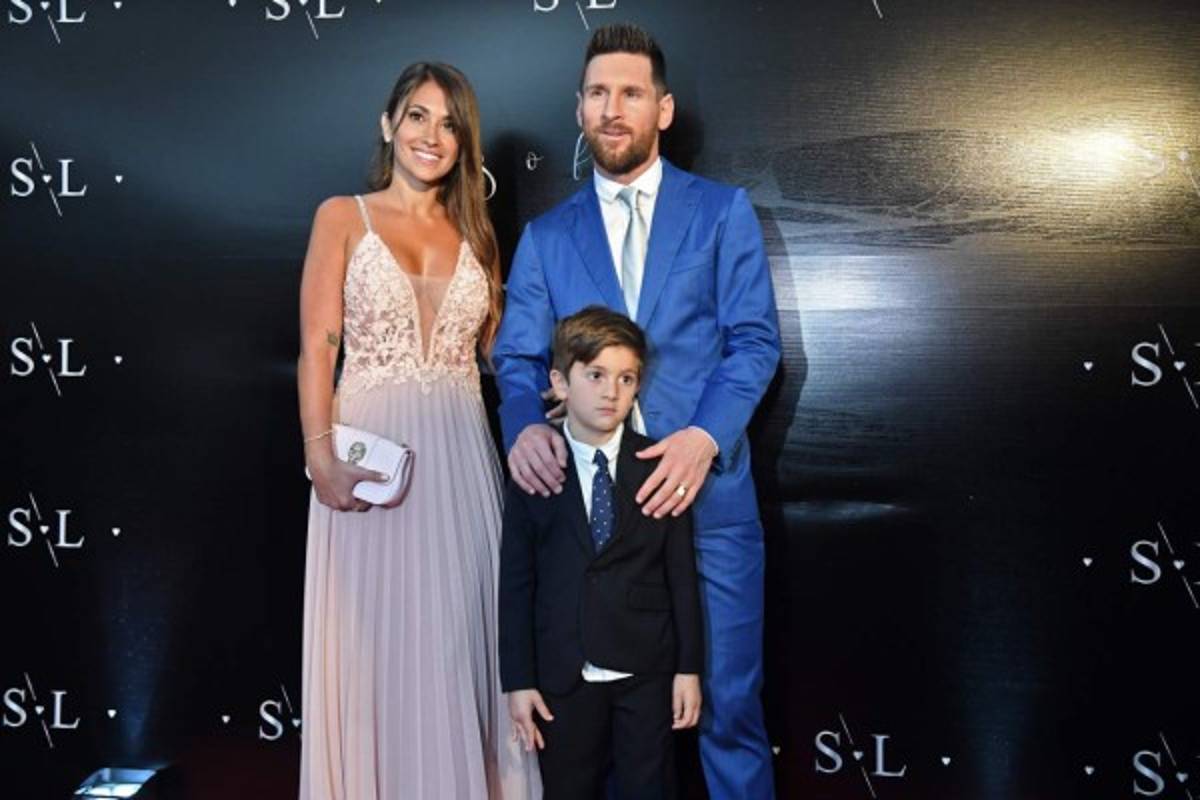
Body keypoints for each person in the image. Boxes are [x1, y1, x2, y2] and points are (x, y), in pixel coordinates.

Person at [493, 24, 781, 800]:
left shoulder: (722, 214)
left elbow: (755, 343)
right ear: (579, 109)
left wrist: (700, 439)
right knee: (595, 731)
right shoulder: (547, 238)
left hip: (708, 501)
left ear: (664, 109)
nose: (611, 109)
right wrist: (523, 424)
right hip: (590, 525)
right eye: (596, 93)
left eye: (629, 93)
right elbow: (517, 358)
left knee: (726, 709)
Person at [296, 62, 540, 799]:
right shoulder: (342, 216)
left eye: (450, 122)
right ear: (388, 124)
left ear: (465, 142)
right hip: (370, 463)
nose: (432, 135)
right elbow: (317, 347)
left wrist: (572, 384)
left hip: (464, 464)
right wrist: (319, 457)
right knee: (375, 647)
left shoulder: (478, 233)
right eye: (417, 116)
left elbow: (500, 354)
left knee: (458, 643)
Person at [499, 306, 703, 800]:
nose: (611, 391)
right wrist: (518, 681)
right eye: (595, 375)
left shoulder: (658, 465)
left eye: (626, 378)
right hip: (563, 676)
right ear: (560, 382)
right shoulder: (535, 468)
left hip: (646, 672)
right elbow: (516, 582)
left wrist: (687, 669)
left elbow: (681, 576)